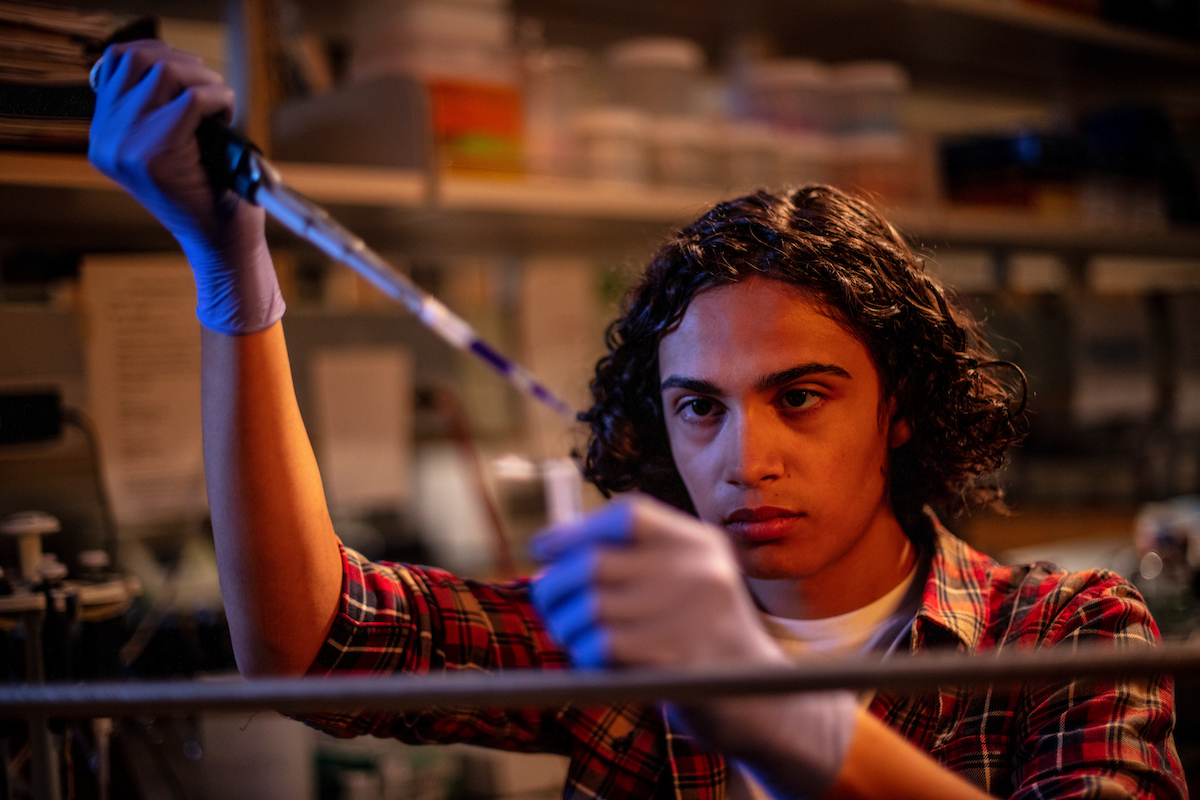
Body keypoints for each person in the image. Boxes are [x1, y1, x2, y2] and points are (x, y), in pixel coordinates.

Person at [88, 40, 1186, 800]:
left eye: (799, 396)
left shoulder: (1061, 635)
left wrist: (771, 713)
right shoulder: (625, 638)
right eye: (698, 407)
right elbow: (304, 645)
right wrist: (232, 277)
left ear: (898, 407)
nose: (743, 458)